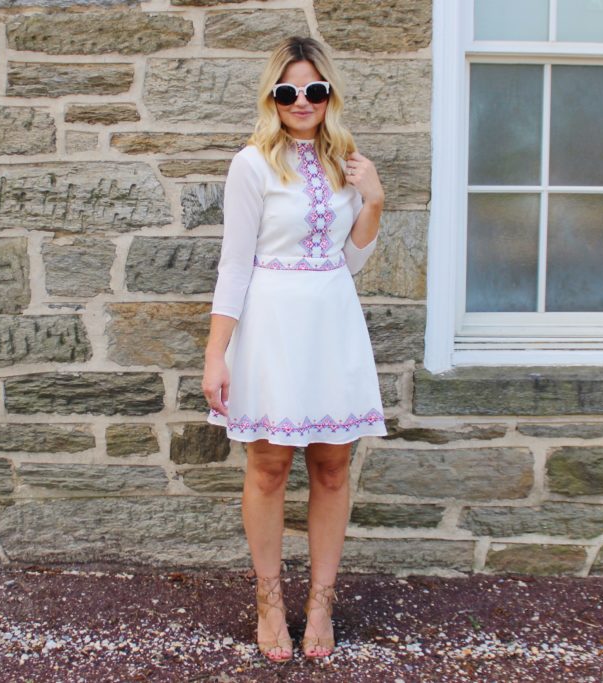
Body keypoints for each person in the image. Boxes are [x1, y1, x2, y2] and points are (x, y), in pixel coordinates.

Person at [201, 36, 388, 661]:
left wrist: (375, 200)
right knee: (270, 465)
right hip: (273, 325)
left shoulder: (347, 162)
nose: (301, 100)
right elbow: (234, 265)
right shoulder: (252, 163)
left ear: (328, 94)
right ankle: (269, 600)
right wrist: (215, 353)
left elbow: (350, 260)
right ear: (272, 97)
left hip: (332, 323)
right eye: (288, 91)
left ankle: (322, 602)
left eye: (313, 89)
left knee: (333, 467)